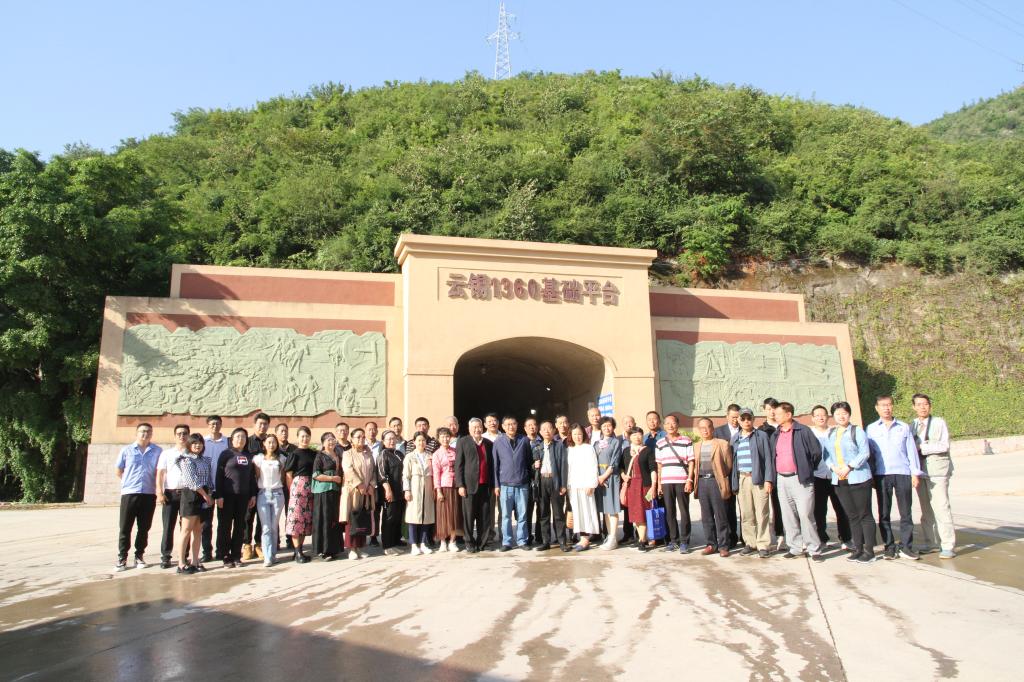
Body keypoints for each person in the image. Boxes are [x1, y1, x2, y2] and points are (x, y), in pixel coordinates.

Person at [867, 395, 923, 560]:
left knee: (906, 513)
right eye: (883, 405)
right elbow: (869, 455)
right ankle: (889, 547)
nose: (886, 408)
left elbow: (911, 451)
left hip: (903, 473)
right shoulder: (871, 429)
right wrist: (871, 476)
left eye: (889, 405)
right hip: (881, 475)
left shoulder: (903, 427)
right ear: (876, 408)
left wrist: (915, 473)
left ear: (893, 406)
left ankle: (906, 546)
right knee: (884, 513)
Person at [821, 402, 876, 563]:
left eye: (844, 413)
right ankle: (858, 549)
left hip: (858, 478)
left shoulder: (857, 431)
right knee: (852, 516)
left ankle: (869, 551)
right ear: (833, 416)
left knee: (864, 514)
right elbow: (826, 455)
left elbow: (864, 453)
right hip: (839, 480)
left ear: (849, 414)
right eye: (837, 414)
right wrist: (833, 467)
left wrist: (849, 466)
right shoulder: (831, 433)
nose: (841, 416)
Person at [770, 402, 825, 561]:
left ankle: (814, 549)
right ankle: (794, 547)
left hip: (800, 479)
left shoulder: (803, 431)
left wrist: (806, 468)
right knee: (788, 515)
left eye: (778, 414)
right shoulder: (776, 434)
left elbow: (816, 452)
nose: (775, 416)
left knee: (805, 515)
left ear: (788, 415)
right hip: (782, 479)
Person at [912, 394, 956, 559]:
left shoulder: (938, 422)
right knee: (926, 510)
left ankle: (947, 545)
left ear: (930, 406)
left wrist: (922, 447)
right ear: (914, 407)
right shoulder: (912, 425)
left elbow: (944, 445)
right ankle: (931, 542)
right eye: (919, 404)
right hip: (920, 471)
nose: (922, 407)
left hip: (938, 470)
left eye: (925, 404)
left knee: (941, 507)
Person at [115, 423, 161, 571]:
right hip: (130, 493)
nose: (145, 434)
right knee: (125, 527)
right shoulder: (126, 450)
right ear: (136, 433)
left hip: (148, 493)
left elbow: (159, 472)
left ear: (151, 434)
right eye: (142, 431)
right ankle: (122, 558)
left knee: (144, 528)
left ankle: (139, 556)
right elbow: (119, 470)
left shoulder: (157, 451)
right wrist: (128, 482)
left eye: (148, 431)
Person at [730, 407, 775, 558]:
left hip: (759, 478)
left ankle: (763, 544)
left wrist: (768, 479)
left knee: (762, 513)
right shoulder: (735, 438)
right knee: (746, 513)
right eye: (743, 419)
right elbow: (733, 462)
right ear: (739, 420)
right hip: (742, 478)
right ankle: (750, 542)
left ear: (753, 419)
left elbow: (768, 459)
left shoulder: (761, 436)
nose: (746, 421)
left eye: (749, 418)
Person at [810, 405, 852, 550]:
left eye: (823, 415)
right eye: (817, 415)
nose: (821, 418)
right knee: (819, 511)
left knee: (842, 509)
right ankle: (822, 539)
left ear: (828, 416)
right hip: (817, 476)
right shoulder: (809, 433)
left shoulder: (835, 431)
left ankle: (846, 538)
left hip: (836, 476)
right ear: (812, 418)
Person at [691, 418, 734, 557]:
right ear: (699, 430)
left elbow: (728, 465)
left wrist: (720, 477)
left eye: (707, 427)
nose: (705, 430)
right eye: (701, 428)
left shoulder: (722, 444)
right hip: (702, 482)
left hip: (716, 482)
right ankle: (711, 544)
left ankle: (724, 545)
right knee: (706, 516)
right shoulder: (696, 446)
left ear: (712, 428)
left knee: (721, 515)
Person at [214, 428, 257, 568]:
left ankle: (236, 555)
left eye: (243, 437)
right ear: (232, 439)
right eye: (237, 436)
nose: (240, 439)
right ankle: (225, 555)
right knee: (225, 526)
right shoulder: (226, 454)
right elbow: (219, 476)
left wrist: (253, 495)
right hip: (227, 496)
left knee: (240, 526)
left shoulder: (249, 456)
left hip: (243, 497)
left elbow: (252, 478)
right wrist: (219, 495)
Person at [174, 434, 214, 573]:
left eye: (200, 443)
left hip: (204, 496)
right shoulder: (185, 460)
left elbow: (209, 479)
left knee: (198, 530)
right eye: (194, 443)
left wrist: (210, 494)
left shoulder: (205, 460)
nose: (198, 445)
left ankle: (195, 561)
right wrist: (205, 495)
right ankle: (181, 563)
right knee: (186, 530)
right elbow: (192, 481)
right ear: (189, 445)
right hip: (191, 496)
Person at [655, 415, 694, 553]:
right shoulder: (660, 443)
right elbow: (659, 465)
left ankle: (684, 542)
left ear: (677, 424)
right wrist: (659, 484)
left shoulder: (686, 441)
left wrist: (689, 479)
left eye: (673, 423)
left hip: (682, 481)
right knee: (670, 512)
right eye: (667, 423)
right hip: (666, 481)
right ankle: (674, 540)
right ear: (664, 426)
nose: (670, 426)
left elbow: (691, 462)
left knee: (684, 511)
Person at [493, 415, 533, 551]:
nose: (511, 426)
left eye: (513, 424)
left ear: (517, 425)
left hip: (522, 484)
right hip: (505, 485)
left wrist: (528, 479)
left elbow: (529, 461)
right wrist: (496, 485)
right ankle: (507, 542)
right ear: (503, 427)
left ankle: (522, 541)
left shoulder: (524, 440)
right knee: (505, 516)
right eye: (508, 424)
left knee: (522, 515)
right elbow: (495, 465)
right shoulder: (498, 441)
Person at [455, 418, 495, 553]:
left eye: (479, 427)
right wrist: (460, 484)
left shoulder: (488, 443)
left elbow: (491, 466)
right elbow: (458, 465)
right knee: (469, 516)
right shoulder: (463, 442)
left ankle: (483, 542)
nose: (477, 430)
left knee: (484, 516)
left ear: (482, 428)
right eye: (474, 427)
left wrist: (493, 484)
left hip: (485, 485)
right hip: (469, 486)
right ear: (469, 429)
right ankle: (469, 542)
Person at [532, 420, 569, 552]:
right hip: (542, 481)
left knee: (558, 513)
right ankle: (545, 541)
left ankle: (562, 541)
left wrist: (563, 484)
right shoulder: (537, 447)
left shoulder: (559, 446)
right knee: (543, 513)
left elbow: (564, 466)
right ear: (540, 432)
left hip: (555, 481)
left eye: (549, 428)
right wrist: (534, 465)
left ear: (554, 431)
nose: (547, 431)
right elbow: (531, 465)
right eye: (544, 429)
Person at [156, 424, 189, 569]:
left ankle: (184, 556)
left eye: (185, 433)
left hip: (187, 494)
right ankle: (166, 557)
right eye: (179, 434)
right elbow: (160, 473)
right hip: (170, 493)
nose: (182, 436)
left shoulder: (192, 453)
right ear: (175, 436)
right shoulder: (167, 454)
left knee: (186, 527)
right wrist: (159, 492)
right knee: (168, 526)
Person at [342, 428, 378, 560]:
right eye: (358, 437)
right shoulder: (348, 454)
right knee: (353, 519)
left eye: (363, 437)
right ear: (352, 439)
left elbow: (374, 471)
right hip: (353, 491)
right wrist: (359, 485)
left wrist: (372, 485)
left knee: (363, 518)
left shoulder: (368, 453)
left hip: (367, 491)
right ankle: (352, 548)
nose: (361, 439)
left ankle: (360, 547)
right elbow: (348, 470)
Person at [252, 433, 286, 567]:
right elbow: (257, 476)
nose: (271, 445)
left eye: (274, 442)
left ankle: (273, 555)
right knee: (265, 527)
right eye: (269, 442)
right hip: (263, 493)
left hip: (278, 493)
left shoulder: (281, 459)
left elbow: (283, 477)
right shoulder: (259, 459)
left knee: (273, 526)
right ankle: (267, 557)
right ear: (264, 444)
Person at [621, 427, 657, 552]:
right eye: (634, 435)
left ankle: (642, 540)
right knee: (635, 514)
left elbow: (653, 469)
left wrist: (653, 486)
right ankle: (642, 538)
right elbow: (621, 467)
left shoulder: (647, 450)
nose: (637, 437)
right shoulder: (626, 451)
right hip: (631, 486)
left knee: (643, 513)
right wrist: (623, 475)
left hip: (644, 485)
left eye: (639, 434)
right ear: (629, 437)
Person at [566, 424, 601, 551]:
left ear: (584, 435)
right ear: (571, 436)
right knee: (577, 512)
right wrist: (567, 485)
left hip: (586, 485)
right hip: (573, 486)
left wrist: (591, 484)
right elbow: (568, 469)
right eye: (575, 434)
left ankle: (586, 540)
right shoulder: (570, 449)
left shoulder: (588, 448)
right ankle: (581, 538)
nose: (577, 437)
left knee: (586, 512)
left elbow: (593, 466)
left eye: (580, 434)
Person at [284, 429, 316, 564]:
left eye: (307, 436)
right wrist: (292, 490)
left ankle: (299, 550)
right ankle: (297, 552)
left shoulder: (314, 453)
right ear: (298, 437)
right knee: (296, 520)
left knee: (305, 520)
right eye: (302, 436)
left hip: (311, 487)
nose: (305, 439)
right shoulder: (294, 454)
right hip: (298, 487)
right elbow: (288, 474)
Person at [242, 412, 271, 562]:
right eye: (260, 424)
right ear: (254, 425)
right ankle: (247, 544)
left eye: (265, 424)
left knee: (262, 516)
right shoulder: (247, 442)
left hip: (265, 486)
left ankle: (259, 544)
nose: (262, 426)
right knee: (248, 516)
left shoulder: (270, 442)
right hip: (249, 485)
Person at [311, 431, 343, 560]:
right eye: (328, 440)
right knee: (324, 519)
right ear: (323, 443)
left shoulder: (338, 455)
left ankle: (334, 548)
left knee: (334, 520)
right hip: (323, 492)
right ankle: (324, 550)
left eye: (333, 439)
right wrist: (332, 478)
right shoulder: (320, 456)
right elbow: (316, 475)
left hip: (335, 491)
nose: (331, 442)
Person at [715, 404, 742, 548]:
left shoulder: (745, 430)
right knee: (727, 508)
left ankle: (746, 537)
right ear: (727, 416)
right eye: (733, 417)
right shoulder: (718, 432)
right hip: (725, 475)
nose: (735, 420)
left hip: (741, 473)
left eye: (738, 417)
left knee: (745, 508)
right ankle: (731, 537)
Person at [759, 398, 785, 550]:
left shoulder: (785, 427)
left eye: (774, 408)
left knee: (782, 505)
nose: (772, 412)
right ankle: (766, 538)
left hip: (783, 471)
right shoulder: (761, 430)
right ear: (764, 410)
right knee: (765, 507)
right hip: (767, 473)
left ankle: (782, 534)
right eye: (768, 409)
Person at [403, 432, 436, 555]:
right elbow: (405, 475)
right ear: (414, 442)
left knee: (426, 516)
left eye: (423, 440)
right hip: (415, 488)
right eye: (419, 440)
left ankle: (423, 543)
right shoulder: (409, 457)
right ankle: (413, 544)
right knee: (413, 516)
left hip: (428, 488)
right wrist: (407, 490)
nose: (421, 442)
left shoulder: (430, 456)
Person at [432, 427, 463, 552]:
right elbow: (436, 473)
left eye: (447, 436)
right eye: (442, 437)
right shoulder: (436, 454)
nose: (445, 439)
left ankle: (452, 541)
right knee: (443, 515)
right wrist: (438, 490)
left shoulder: (455, 451)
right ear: (438, 439)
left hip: (455, 486)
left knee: (454, 514)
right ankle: (443, 541)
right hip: (444, 487)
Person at [201, 416, 228, 563]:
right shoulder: (202, 442)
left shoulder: (227, 442)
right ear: (207, 425)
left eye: (217, 423)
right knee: (206, 523)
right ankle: (206, 552)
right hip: (207, 488)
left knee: (223, 522)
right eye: (212, 423)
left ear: (221, 425)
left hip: (223, 487)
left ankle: (221, 551)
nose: (215, 426)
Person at [594, 416, 623, 550]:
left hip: (610, 477)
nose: (607, 428)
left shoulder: (616, 442)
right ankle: (610, 536)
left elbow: (615, 461)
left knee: (612, 509)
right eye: (604, 426)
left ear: (613, 427)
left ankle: (613, 537)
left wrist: (604, 476)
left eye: (609, 425)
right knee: (605, 509)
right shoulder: (596, 443)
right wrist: (598, 477)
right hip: (599, 478)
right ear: (600, 428)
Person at [378, 430, 407, 556]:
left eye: (393, 438)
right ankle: (387, 545)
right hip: (389, 491)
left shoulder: (399, 453)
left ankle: (395, 541)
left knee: (397, 518)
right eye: (389, 439)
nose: (392, 441)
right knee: (388, 518)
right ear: (383, 441)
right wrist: (388, 490)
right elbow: (382, 475)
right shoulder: (383, 454)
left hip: (400, 492)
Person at [274, 422, 296, 551]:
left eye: (286, 431)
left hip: (290, 486)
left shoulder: (293, 449)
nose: (284, 433)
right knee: (275, 515)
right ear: (276, 433)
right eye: (281, 431)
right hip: (276, 486)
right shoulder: (272, 447)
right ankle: (275, 540)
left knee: (290, 514)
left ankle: (290, 540)